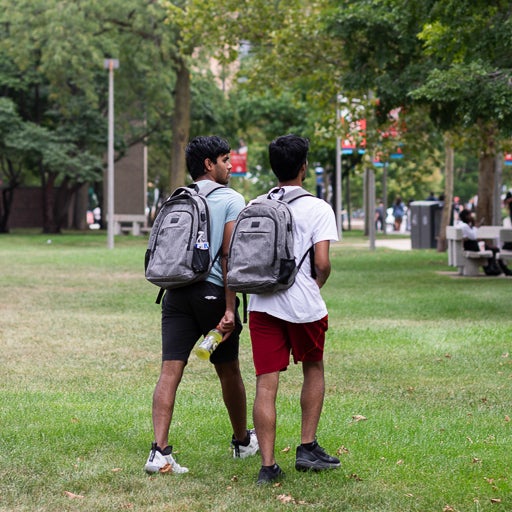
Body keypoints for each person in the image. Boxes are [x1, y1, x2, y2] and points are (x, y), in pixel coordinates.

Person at [144, 136, 258, 474]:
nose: (230, 166)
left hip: (176, 293)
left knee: (169, 370)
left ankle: (159, 451)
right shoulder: (231, 199)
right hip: (211, 294)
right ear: (209, 164)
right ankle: (241, 441)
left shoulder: (179, 197)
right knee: (228, 370)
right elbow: (228, 255)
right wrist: (229, 307)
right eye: (225, 159)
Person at [247, 134, 340, 485]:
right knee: (313, 367)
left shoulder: (256, 204)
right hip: (303, 305)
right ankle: (307, 447)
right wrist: (315, 285)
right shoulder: (318, 208)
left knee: (265, 384)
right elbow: (323, 262)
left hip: (262, 304)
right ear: (303, 168)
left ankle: (268, 466)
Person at [457, 209, 511, 276]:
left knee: (492, 249)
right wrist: (474, 226)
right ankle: (495, 269)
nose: (471, 217)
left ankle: (493, 268)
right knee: (495, 249)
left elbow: (471, 236)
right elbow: (474, 236)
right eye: (470, 215)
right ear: (466, 216)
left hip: (471, 245)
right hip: (471, 246)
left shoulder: (462, 225)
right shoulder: (464, 226)